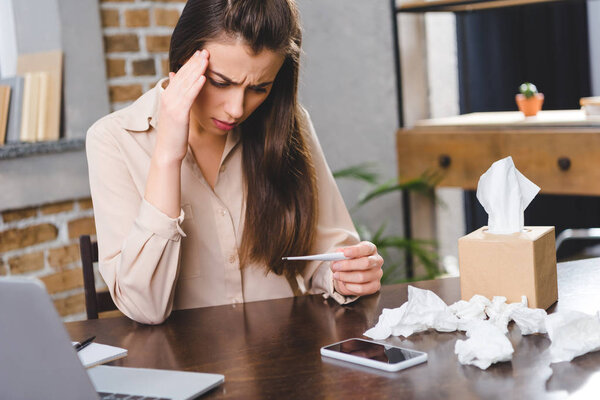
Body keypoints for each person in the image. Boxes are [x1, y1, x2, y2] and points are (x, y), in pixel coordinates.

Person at [86, 0, 384, 325]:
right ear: (184, 59)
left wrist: (347, 274)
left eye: (259, 88)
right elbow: (145, 307)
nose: (237, 109)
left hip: (289, 356)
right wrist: (168, 156)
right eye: (221, 82)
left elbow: (328, 254)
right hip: (187, 368)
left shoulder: (288, 126)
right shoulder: (114, 139)